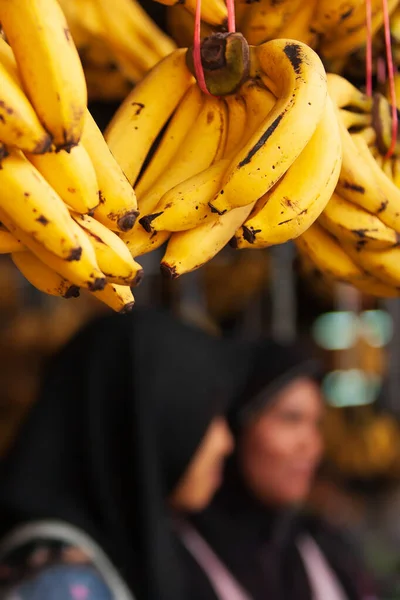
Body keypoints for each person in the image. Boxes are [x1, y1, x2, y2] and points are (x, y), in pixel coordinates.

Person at [0, 308, 249, 600]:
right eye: (209, 413)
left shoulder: (114, 550)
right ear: (141, 416)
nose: (225, 441)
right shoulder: (60, 581)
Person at [184, 339, 377, 600]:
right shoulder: (180, 559)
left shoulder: (323, 550)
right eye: (291, 419)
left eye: (316, 424)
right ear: (237, 426)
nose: (312, 446)